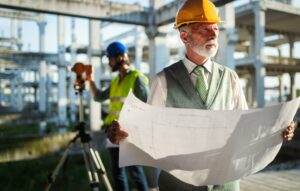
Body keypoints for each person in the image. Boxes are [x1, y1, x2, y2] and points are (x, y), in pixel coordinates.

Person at [106, 0, 296, 190]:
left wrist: (277, 131)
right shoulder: (162, 81)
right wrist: (122, 136)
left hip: (225, 184)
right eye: (203, 29)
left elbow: (245, 130)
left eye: (215, 28)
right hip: (179, 185)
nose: (213, 33)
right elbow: (150, 134)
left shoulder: (231, 78)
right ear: (184, 36)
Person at [87, 41, 149, 191]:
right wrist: (90, 80)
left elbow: (147, 108)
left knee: (135, 172)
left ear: (121, 57)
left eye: (110, 58)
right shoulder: (115, 81)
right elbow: (99, 97)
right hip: (112, 132)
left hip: (129, 134)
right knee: (118, 174)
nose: (109, 62)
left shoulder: (137, 78)